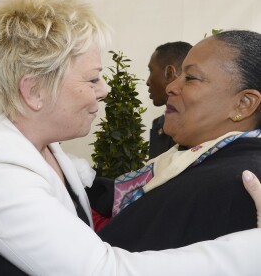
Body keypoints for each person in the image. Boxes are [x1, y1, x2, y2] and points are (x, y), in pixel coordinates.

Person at [0, 0, 261, 276]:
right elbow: (100, 270)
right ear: (34, 90)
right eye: (92, 79)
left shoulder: (40, 144)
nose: (104, 90)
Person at [94, 30, 261, 252]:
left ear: (243, 103)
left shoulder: (237, 183)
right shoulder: (199, 161)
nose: (171, 87)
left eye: (190, 78)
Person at [147, 41, 192, 158]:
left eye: (151, 70)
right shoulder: (160, 124)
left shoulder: (196, 130)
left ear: (169, 73)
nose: (147, 82)